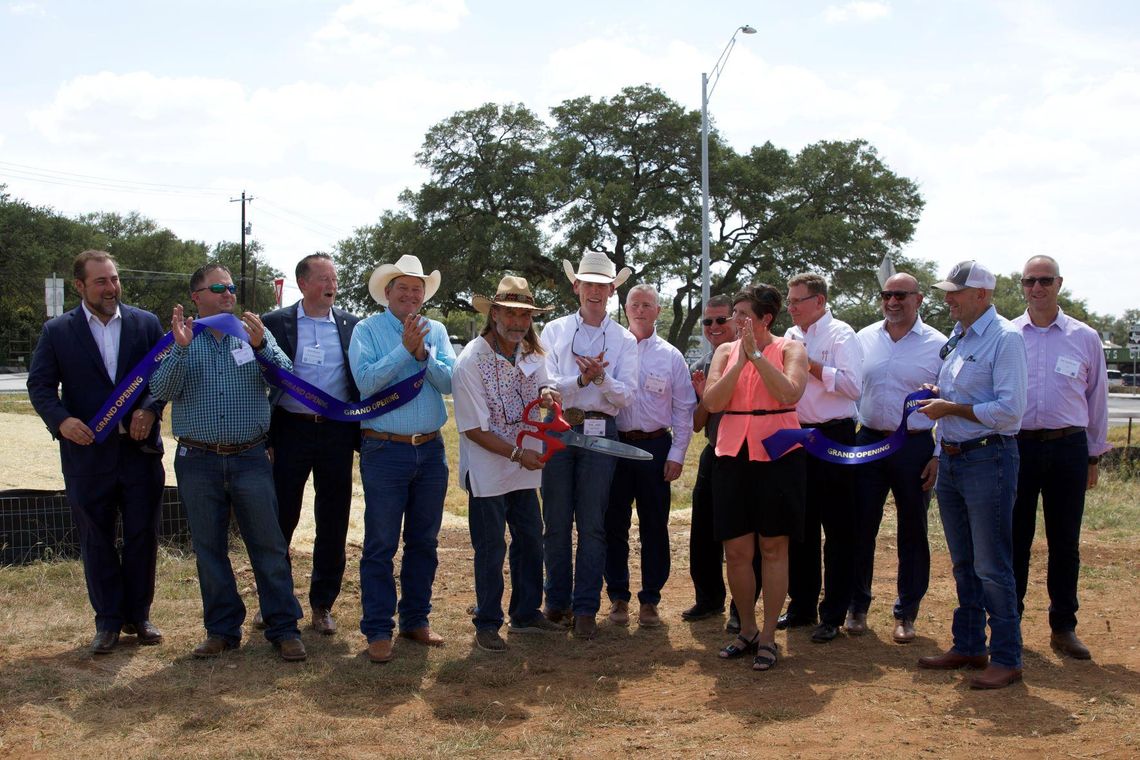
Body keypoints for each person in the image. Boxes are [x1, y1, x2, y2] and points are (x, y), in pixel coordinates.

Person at [150, 263, 306, 661]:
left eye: (231, 287)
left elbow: (288, 380)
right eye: (217, 287)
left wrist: (262, 347)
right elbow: (161, 389)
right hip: (197, 459)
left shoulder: (251, 333)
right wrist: (181, 349)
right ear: (196, 296)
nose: (227, 294)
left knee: (269, 546)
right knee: (209, 549)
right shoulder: (181, 339)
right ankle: (221, 630)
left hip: (250, 457)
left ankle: (284, 628)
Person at [27, 250, 166, 655]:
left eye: (115, 279)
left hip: (139, 453)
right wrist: (62, 422)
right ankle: (106, 620)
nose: (111, 288)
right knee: (97, 538)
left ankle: (139, 615)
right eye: (102, 281)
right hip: (87, 456)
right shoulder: (57, 331)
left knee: (143, 534)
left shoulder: (145, 323)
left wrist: (150, 408)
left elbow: (162, 378)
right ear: (80, 286)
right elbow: (39, 387)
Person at [916, 259, 1027, 689]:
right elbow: (968, 393)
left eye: (955, 293)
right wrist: (940, 396)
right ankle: (968, 644)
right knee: (965, 561)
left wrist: (951, 408)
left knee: (992, 564)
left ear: (982, 295)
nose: (948, 300)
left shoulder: (1006, 339)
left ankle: (1007, 656)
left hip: (989, 459)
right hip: (954, 458)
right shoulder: (961, 339)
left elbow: (1008, 411)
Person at [349, 254, 455, 664]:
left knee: (424, 542)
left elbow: (450, 381)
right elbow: (367, 382)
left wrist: (422, 355)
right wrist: (403, 351)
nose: (411, 295)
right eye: (403, 288)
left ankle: (415, 619)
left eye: (418, 289)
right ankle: (378, 629)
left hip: (430, 449)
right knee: (380, 544)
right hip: (384, 448)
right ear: (387, 293)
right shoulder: (367, 329)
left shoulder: (439, 330)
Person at [452, 275, 567, 652]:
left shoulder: (533, 354)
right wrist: (519, 453)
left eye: (526, 316)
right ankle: (487, 622)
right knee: (491, 548)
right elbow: (472, 429)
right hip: (489, 468)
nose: (519, 323)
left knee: (531, 540)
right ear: (495, 313)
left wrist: (548, 393)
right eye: (512, 314)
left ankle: (525, 613)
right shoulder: (471, 360)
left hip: (524, 467)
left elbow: (543, 390)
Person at [703, 284, 808, 672]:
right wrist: (741, 361)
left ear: (766, 318)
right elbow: (712, 402)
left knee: (773, 548)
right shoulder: (724, 351)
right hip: (732, 452)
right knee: (737, 551)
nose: (736, 321)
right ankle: (746, 629)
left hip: (779, 454)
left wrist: (759, 356)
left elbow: (789, 393)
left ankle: (768, 635)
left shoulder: (791, 348)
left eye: (744, 315)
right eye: (735, 314)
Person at [1011, 255, 1110, 661]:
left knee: (1064, 541)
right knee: (1014, 538)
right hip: (1017, 446)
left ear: (1059, 283)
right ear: (1022, 286)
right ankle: (1007, 624)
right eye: (1030, 281)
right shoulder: (1009, 334)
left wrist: (1093, 456)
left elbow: (1097, 398)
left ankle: (1063, 626)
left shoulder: (1084, 337)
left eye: (1045, 280)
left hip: (1068, 447)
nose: (1037, 288)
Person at [261, 253, 361, 636]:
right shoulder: (275, 324)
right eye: (322, 278)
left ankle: (323, 604)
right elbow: (263, 379)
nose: (331, 284)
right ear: (303, 283)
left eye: (334, 277)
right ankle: (276, 600)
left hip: (336, 431)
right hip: (290, 430)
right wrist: (267, 437)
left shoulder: (353, 325)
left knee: (333, 521)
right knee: (281, 518)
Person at [539, 252, 638, 640]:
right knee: (557, 521)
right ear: (576, 286)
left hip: (600, 430)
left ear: (612, 290)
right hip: (559, 427)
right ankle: (557, 603)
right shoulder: (554, 330)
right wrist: (582, 382)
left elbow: (625, 397)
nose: (595, 291)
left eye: (602, 285)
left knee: (593, 523)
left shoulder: (624, 339)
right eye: (588, 283)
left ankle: (584, 609)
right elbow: (544, 384)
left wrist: (600, 380)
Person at [849, 273, 945, 643]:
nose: (892, 301)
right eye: (887, 294)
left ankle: (906, 613)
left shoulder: (939, 344)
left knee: (913, 531)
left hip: (914, 446)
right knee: (860, 527)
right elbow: (852, 389)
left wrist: (937, 454)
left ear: (918, 299)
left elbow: (947, 402)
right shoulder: (864, 338)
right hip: (870, 442)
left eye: (900, 295)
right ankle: (857, 606)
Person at [604, 284, 697, 628]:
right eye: (634, 305)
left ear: (658, 311)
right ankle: (617, 597)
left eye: (647, 305)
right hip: (615, 446)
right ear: (625, 310)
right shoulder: (612, 349)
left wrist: (676, 454)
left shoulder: (670, 356)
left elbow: (684, 408)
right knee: (613, 523)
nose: (640, 310)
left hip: (655, 448)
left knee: (654, 525)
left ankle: (650, 600)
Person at [780, 273, 864, 644]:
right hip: (800, 435)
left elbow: (852, 386)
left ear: (819, 301)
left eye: (797, 301)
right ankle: (801, 606)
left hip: (835, 435)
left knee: (839, 527)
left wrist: (808, 364)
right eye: (789, 301)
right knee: (801, 525)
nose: (792, 307)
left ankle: (833, 612)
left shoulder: (842, 334)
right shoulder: (790, 336)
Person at [684, 295, 761, 632]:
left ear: (737, 321)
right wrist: (704, 398)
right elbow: (698, 422)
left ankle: (739, 609)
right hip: (715, 450)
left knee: (746, 535)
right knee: (703, 530)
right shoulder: (701, 366)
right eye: (708, 322)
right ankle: (708, 599)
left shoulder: (755, 357)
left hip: (749, 455)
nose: (714, 327)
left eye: (721, 320)